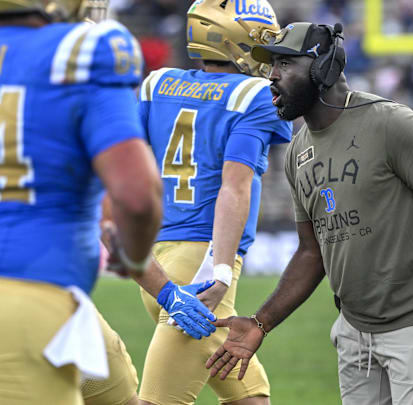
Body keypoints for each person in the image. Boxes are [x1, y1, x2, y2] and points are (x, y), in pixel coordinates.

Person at [206, 21, 413, 405]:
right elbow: (311, 252)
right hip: (355, 330)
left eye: (285, 64)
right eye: (272, 65)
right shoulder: (297, 150)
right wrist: (262, 322)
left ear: (324, 68)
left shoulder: (391, 123)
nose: (271, 77)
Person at [0, 1, 217, 404]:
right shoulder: (80, 52)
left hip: (52, 301)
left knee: (116, 389)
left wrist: (165, 289)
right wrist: (136, 261)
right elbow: (135, 198)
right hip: (30, 292)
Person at [135, 1, 292, 404]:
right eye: (260, 42)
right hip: (203, 264)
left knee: (248, 394)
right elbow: (233, 187)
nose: (267, 53)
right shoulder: (253, 93)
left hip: (156, 259)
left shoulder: (158, 83)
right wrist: (220, 269)